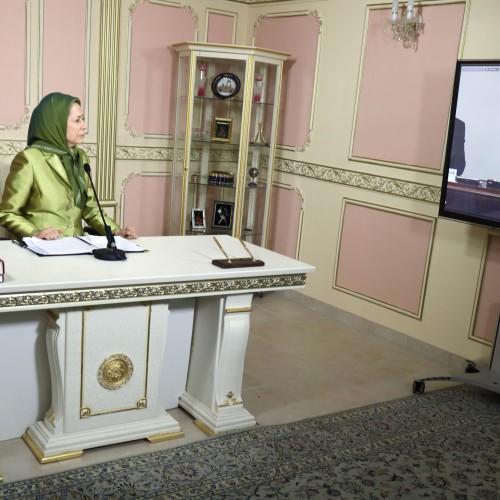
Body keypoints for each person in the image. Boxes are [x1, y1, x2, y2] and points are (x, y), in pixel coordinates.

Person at [0, 92, 137, 240]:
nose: (84, 126)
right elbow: (8, 213)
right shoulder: (29, 159)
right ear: (56, 123)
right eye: (77, 120)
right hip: (41, 251)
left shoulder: (80, 157)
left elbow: (90, 208)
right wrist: (35, 233)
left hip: (77, 247)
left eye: (83, 119)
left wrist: (116, 232)